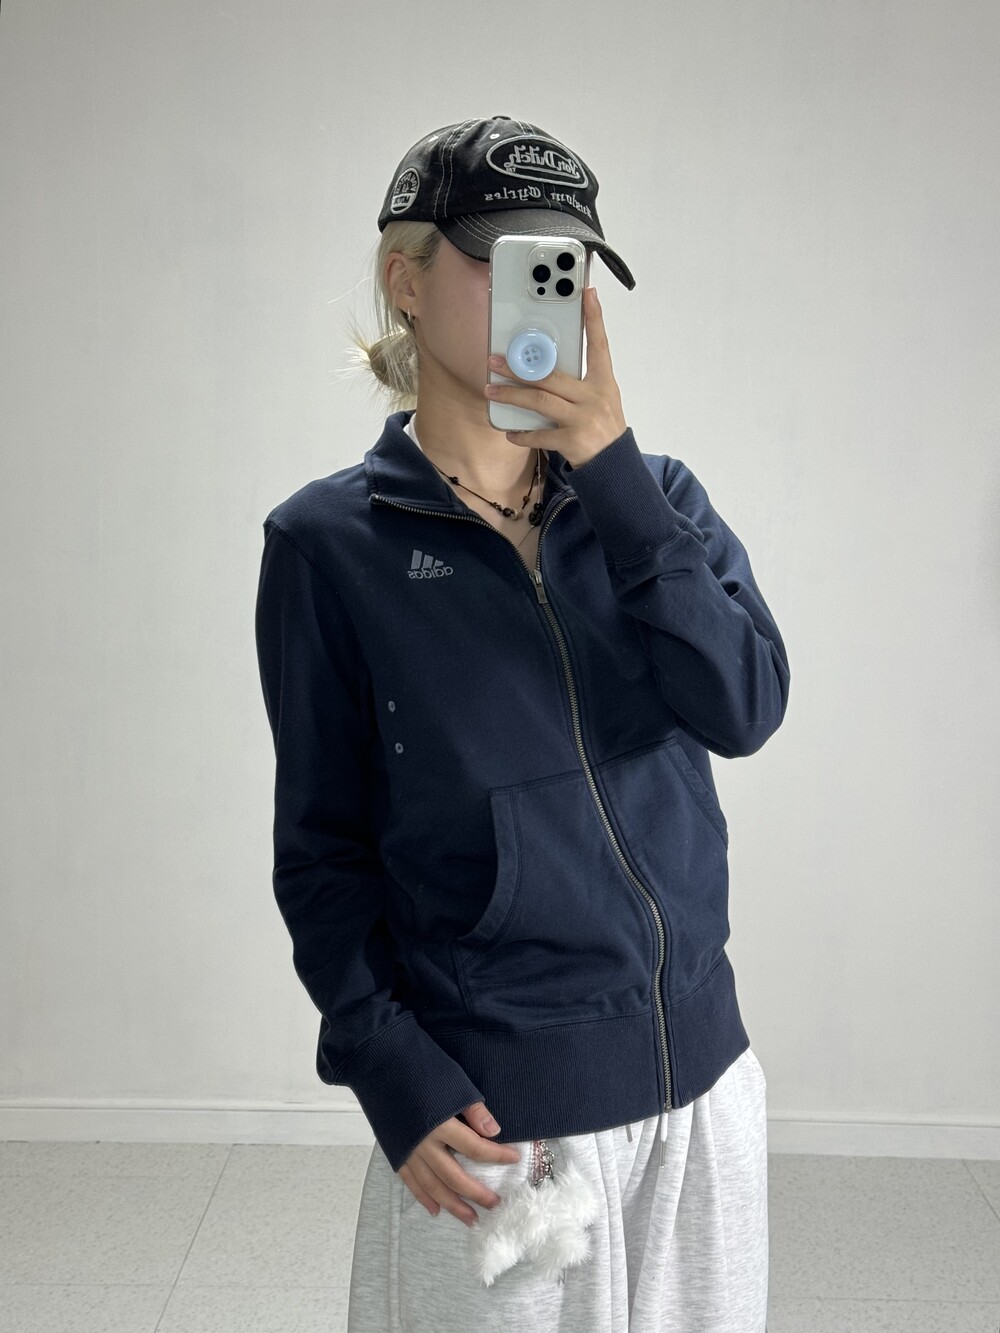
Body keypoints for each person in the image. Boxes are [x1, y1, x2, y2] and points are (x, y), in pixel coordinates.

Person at [254, 114, 788, 1331]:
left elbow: (744, 705)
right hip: (504, 1116)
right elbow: (321, 851)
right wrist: (388, 1065)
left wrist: (613, 474)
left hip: (705, 1089)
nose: (536, 292)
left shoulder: (655, 504)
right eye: (499, 258)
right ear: (405, 279)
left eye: (562, 262)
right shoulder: (327, 547)